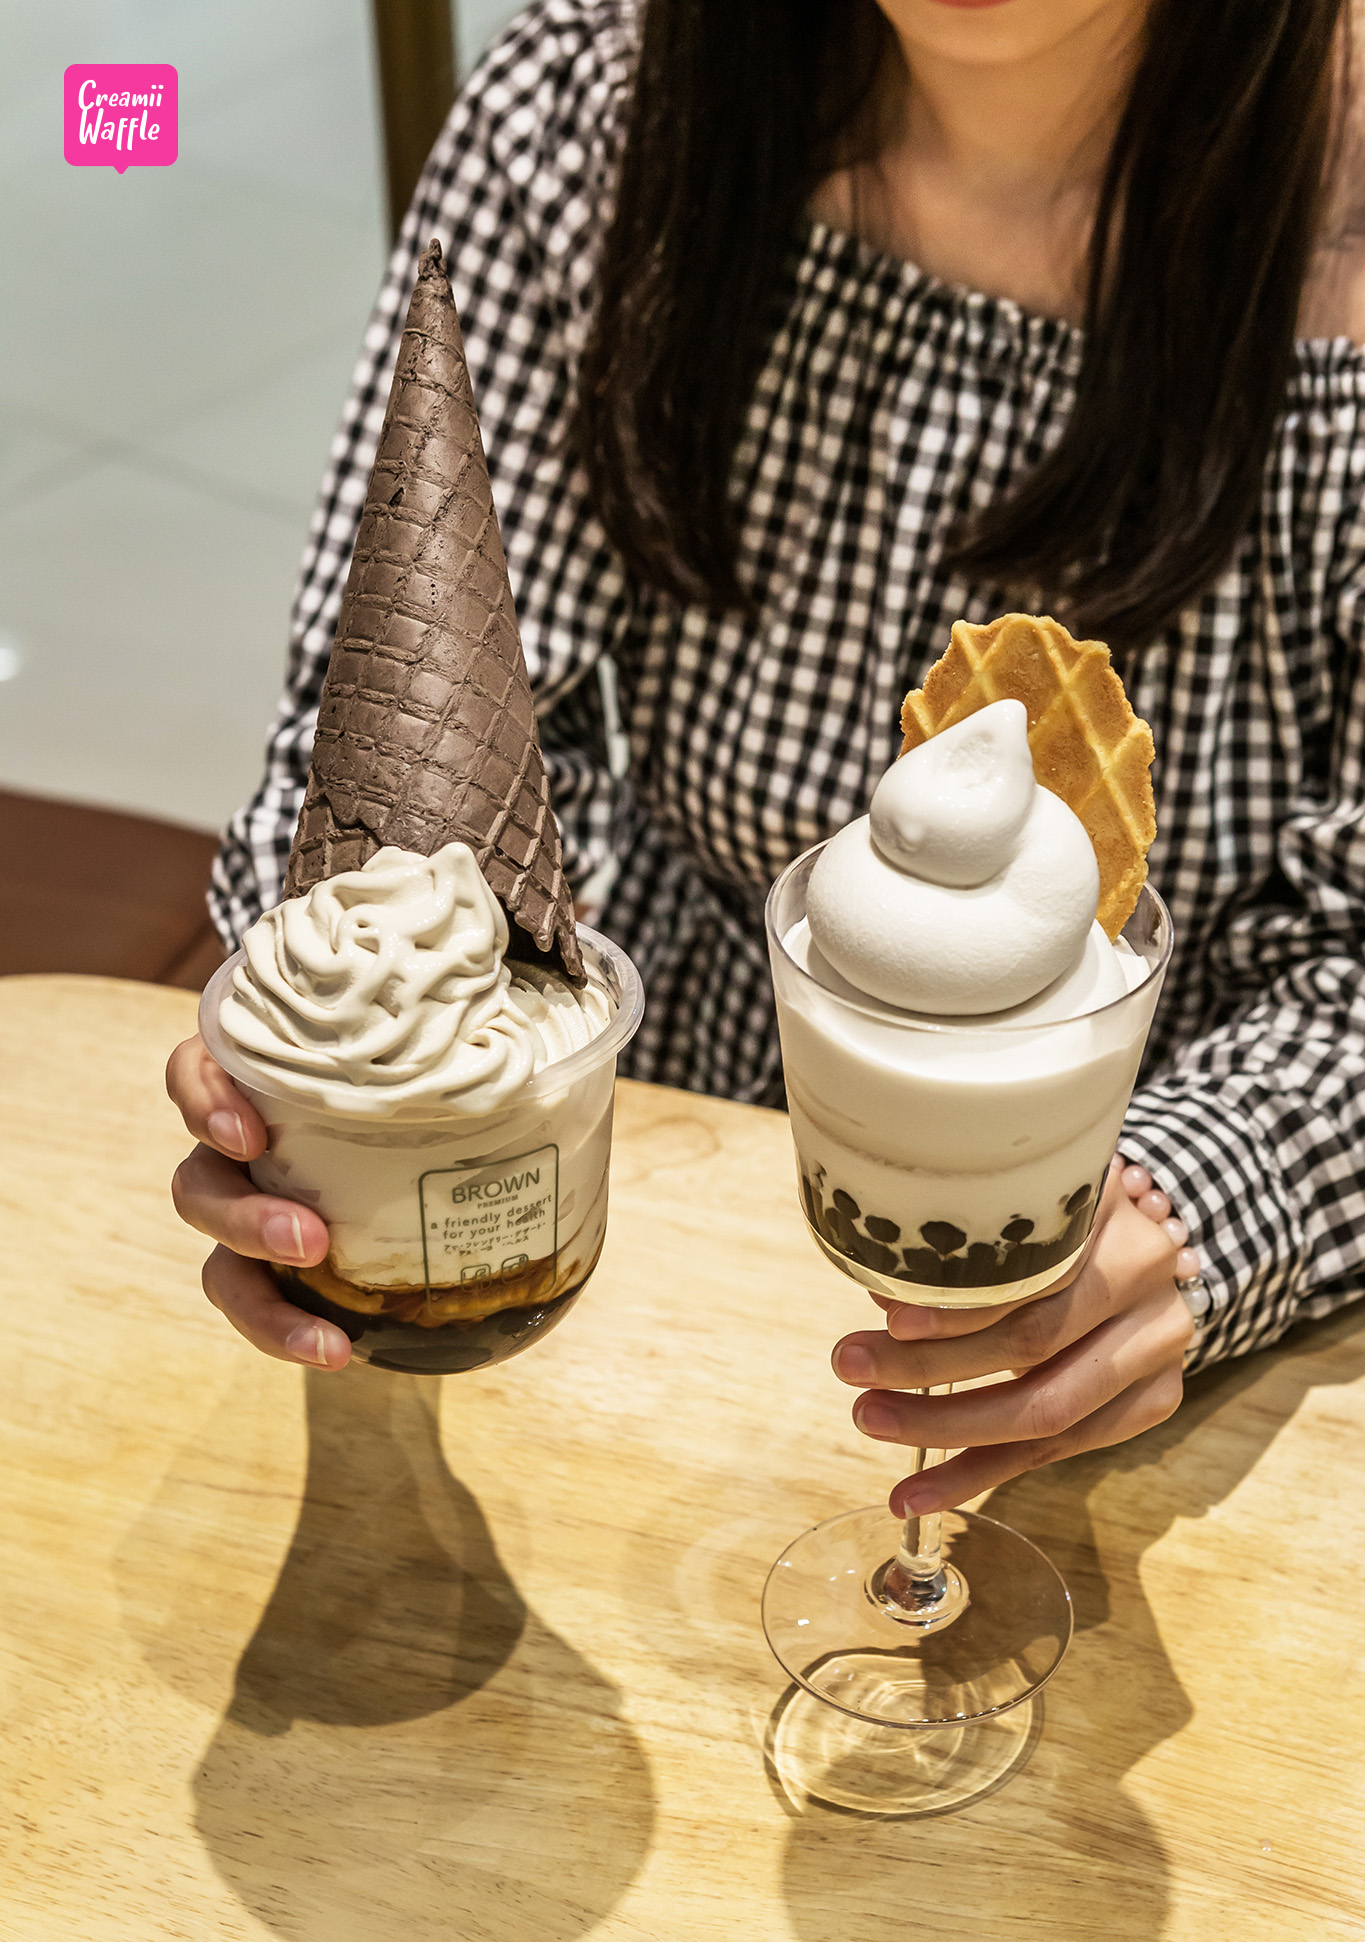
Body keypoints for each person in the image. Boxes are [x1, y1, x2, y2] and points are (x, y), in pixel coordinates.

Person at [168, 0, 1365, 1515]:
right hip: (653, 1186)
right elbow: (429, 749)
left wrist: (1204, 1205)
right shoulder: (589, 116)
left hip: (1147, 1275)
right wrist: (345, 1058)